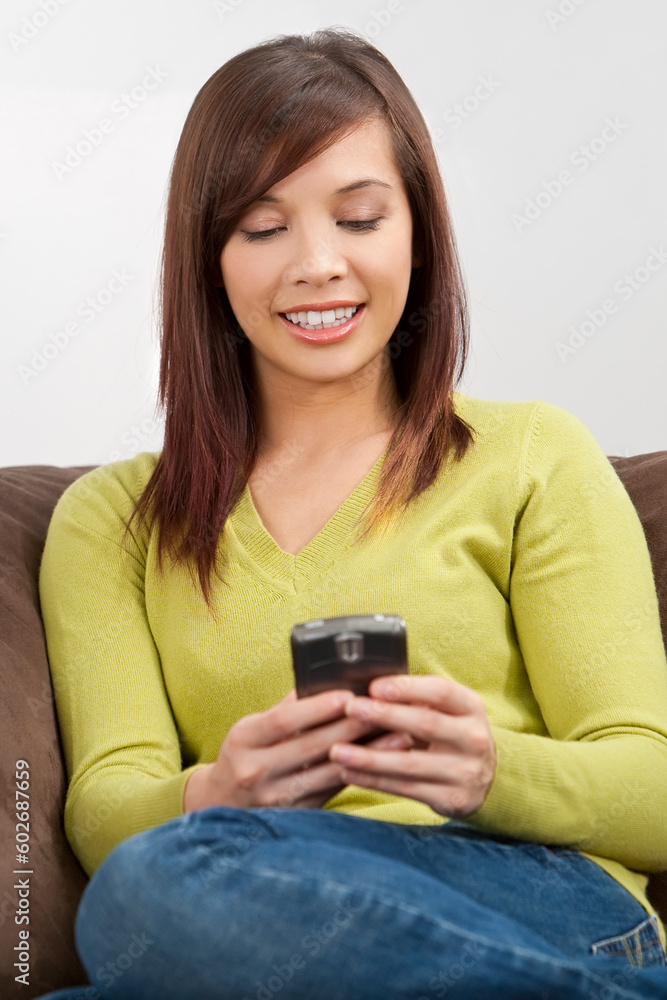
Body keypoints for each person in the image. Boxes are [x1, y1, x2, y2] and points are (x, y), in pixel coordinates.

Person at [37, 27, 667, 1000]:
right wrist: (218, 794)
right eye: (262, 227)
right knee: (138, 891)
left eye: (361, 217)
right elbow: (107, 806)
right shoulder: (110, 522)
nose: (317, 263)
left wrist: (490, 772)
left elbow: (653, 788)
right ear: (209, 258)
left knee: (145, 898)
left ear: (418, 232)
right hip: (257, 893)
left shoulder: (535, 455)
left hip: (533, 895)